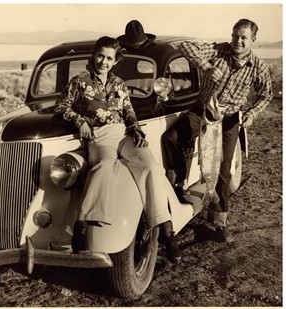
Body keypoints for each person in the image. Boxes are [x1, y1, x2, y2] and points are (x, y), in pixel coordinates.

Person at [55, 35, 181, 260]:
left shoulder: (119, 84)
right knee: (103, 165)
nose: (103, 61)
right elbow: (62, 106)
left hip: (124, 134)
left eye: (109, 58)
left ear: (115, 61)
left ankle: (165, 230)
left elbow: (128, 112)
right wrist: (80, 121)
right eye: (100, 56)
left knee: (151, 166)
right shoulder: (80, 81)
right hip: (100, 136)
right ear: (94, 55)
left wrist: (137, 132)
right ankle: (82, 225)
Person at [162, 19, 273, 242]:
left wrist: (250, 114)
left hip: (230, 120)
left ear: (253, 40)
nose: (238, 41)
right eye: (235, 35)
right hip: (203, 111)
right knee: (171, 138)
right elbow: (184, 45)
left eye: (243, 37)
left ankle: (219, 221)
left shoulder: (258, 67)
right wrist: (207, 67)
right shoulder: (219, 50)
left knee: (223, 170)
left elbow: (266, 94)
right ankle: (180, 187)